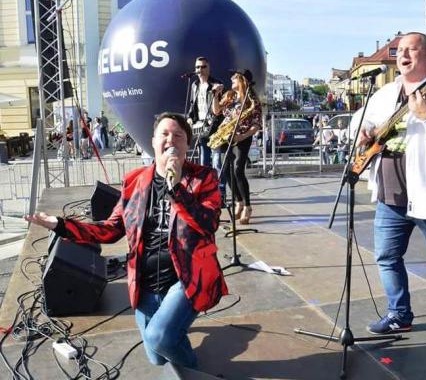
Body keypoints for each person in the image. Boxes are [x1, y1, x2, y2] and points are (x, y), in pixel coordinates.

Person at [25, 112, 228, 369]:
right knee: (157, 356)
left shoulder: (204, 178)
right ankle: (171, 328)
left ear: (188, 145)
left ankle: (194, 371)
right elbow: (111, 230)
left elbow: (208, 225)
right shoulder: (135, 182)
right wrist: (62, 226)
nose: (171, 140)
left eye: (179, 136)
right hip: (146, 282)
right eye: (164, 134)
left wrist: (177, 188)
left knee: (159, 338)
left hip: (187, 278)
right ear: (152, 141)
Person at [353, 32, 426, 346]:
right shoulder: (384, 93)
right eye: (400, 50)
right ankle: (399, 315)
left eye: (411, 49)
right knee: (387, 258)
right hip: (390, 197)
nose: (403, 55)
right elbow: (358, 123)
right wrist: (362, 131)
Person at [212, 69, 261, 224]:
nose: (231, 79)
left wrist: (241, 136)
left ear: (242, 81)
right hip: (226, 137)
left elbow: (256, 126)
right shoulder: (230, 96)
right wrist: (215, 95)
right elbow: (216, 110)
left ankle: (247, 206)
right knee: (226, 172)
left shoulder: (252, 101)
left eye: (234, 78)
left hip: (242, 137)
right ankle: (238, 201)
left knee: (238, 170)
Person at [187, 57, 223, 167]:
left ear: (208, 68)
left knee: (216, 159)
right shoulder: (195, 85)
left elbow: (220, 107)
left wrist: (218, 90)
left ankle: (220, 184)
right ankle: (206, 183)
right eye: (198, 67)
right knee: (203, 159)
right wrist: (190, 117)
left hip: (214, 124)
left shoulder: (215, 84)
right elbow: (193, 104)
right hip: (201, 125)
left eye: (203, 66)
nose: (200, 69)